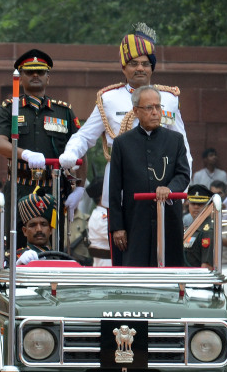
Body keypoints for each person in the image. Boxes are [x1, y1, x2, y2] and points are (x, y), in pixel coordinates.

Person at [60, 23, 192, 196]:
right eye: (133, 63)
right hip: (121, 178)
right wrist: (71, 152)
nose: (140, 68)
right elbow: (85, 136)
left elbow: (183, 146)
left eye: (145, 64)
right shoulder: (108, 99)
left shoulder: (169, 98)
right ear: (123, 68)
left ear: (152, 67)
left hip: (162, 179)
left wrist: (182, 188)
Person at [0, 49, 83, 248]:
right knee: (16, 245)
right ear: (20, 77)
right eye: (29, 72)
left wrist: (79, 188)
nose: (35, 76)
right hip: (19, 185)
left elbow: (79, 146)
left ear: (48, 77)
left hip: (54, 186)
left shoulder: (63, 110)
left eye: (40, 72)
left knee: (54, 244)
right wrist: (25, 154)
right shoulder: (10, 108)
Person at [108, 85, 190, 267]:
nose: (155, 112)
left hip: (168, 219)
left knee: (170, 270)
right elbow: (114, 189)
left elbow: (183, 174)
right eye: (149, 108)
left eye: (158, 107)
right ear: (136, 111)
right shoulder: (122, 143)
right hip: (135, 221)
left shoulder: (175, 140)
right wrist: (117, 226)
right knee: (137, 273)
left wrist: (169, 189)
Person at [15, 191, 55, 266]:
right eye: (33, 225)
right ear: (25, 231)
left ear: (50, 229)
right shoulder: (13, 258)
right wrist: (18, 265)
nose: (39, 229)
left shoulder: (60, 258)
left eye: (43, 224)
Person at [183, 185, 215, 269]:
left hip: (197, 280)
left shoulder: (208, 231)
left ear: (209, 206)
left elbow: (206, 267)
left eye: (200, 204)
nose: (196, 207)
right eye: (193, 203)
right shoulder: (193, 227)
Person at [85, 180, 112, 267]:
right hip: (105, 264)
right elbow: (112, 236)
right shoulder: (100, 217)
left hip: (107, 262)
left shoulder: (102, 213)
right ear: (102, 197)